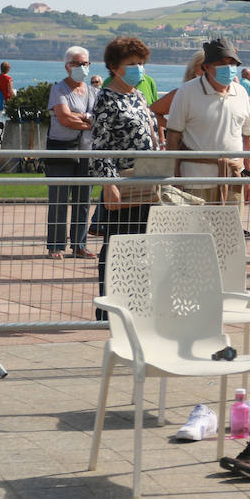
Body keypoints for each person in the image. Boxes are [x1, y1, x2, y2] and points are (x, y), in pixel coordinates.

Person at [89, 37, 158, 311]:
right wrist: (109, 183)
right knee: (117, 245)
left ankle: (135, 303)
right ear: (114, 66)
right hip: (123, 181)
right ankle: (109, 306)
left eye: (141, 63)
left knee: (141, 246)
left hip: (147, 180)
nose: (138, 69)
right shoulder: (106, 97)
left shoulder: (138, 95)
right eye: (132, 64)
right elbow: (100, 144)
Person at [165, 38, 250, 206]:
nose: (228, 68)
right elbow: (173, 137)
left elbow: (247, 137)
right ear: (206, 67)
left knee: (230, 232)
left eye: (232, 63)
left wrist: (248, 178)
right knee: (197, 231)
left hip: (233, 180)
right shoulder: (186, 92)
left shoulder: (241, 93)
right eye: (222, 63)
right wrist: (175, 177)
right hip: (195, 182)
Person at [44, 47, 97, 260]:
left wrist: (81, 117)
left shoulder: (93, 91)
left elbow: (98, 118)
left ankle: (79, 245)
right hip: (61, 149)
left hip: (86, 151)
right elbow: (64, 118)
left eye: (86, 64)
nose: (83, 68)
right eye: (78, 64)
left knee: (83, 201)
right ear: (68, 66)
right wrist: (87, 120)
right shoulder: (58, 90)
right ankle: (55, 246)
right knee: (58, 198)